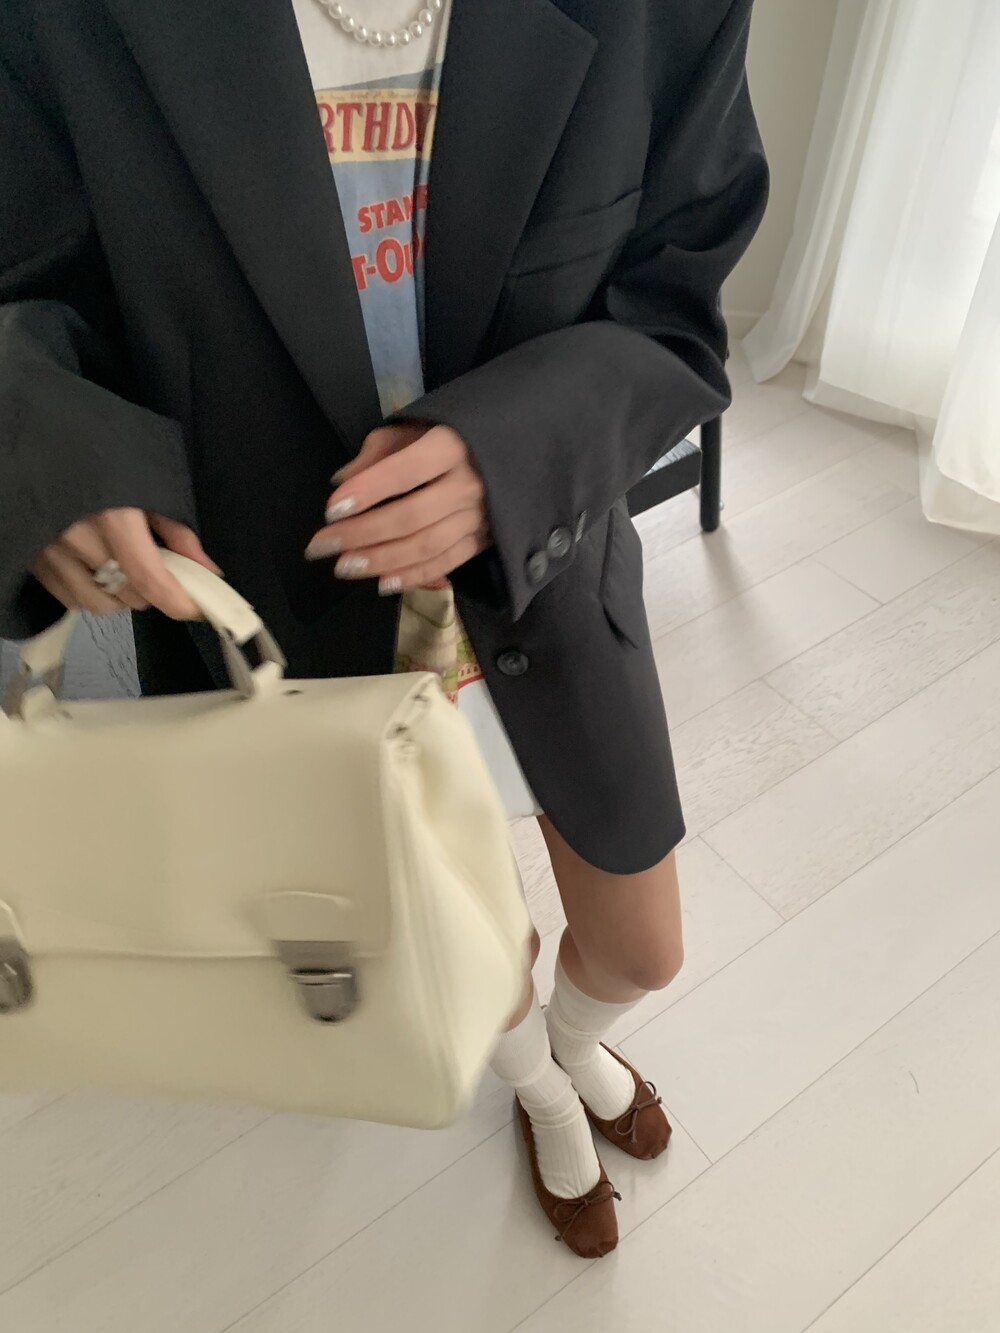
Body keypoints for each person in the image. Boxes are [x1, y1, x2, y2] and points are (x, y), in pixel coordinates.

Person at [0, 0, 767, 1257]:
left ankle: (575, 1046)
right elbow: (29, 280)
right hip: (275, 600)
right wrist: (60, 459)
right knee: (459, 935)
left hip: (544, 562)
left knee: (640, 949)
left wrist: (516, 450)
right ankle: (535, 1087)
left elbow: (677, 293)